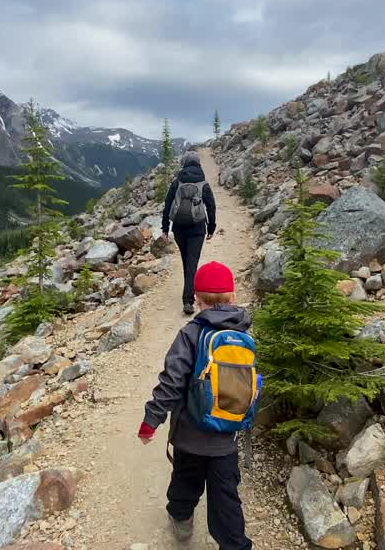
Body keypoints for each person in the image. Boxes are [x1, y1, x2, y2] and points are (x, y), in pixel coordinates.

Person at [138, 261, 253, 549]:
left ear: (197, 299)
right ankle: (235, 543)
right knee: (226, 494)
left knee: (185, 480)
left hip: (190, 434)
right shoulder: (245, 335)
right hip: (227, 434)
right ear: (233, 296)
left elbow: (171, 382)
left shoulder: (190, 334)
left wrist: (151, 419)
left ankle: (180, 516)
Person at [162, 151, 217, 315]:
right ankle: (188, 300)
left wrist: (165, 228)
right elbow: (211, 207)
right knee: (192, 262)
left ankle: (188, 291)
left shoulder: (176, 182)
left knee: (187, 260)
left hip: (178, 227)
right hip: (197, 228)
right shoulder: (203, 183)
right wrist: (212, 227)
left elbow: (167, 204)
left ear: (184, 163)